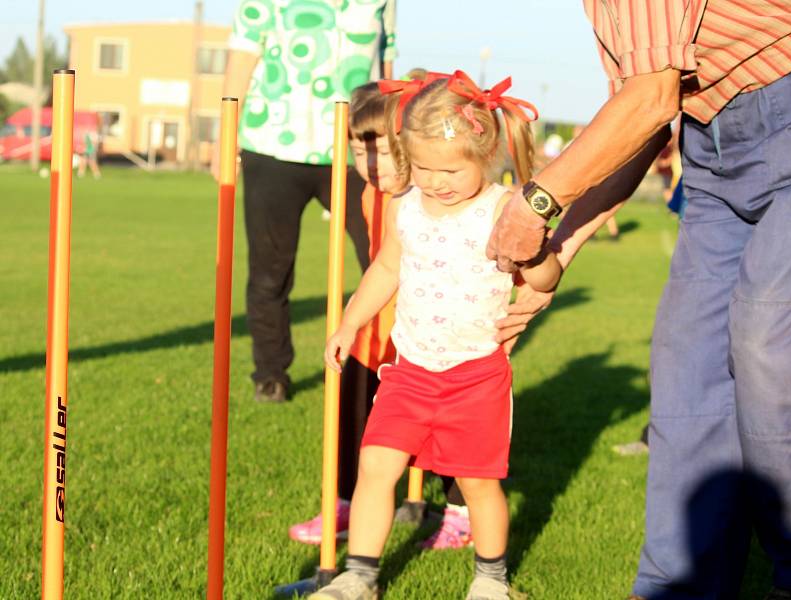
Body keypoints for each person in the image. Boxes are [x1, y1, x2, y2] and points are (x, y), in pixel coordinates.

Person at [487, 3, 791, 599]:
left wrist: (535, 203)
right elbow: (644, 122)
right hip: (710, 152)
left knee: (767, 345)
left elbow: (650, 101)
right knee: (685, 365)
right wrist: (558, 253)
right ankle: (677, 586)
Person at [310, 70, 561, 600]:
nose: (434, 180)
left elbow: (545, 278)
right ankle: (360, 576)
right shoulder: (406, 208)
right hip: (410, 370)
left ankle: (491, 580)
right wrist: (351, 322)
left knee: (478, 483)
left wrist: (534, 253)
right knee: (376, 465)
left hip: (475, 374)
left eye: (449, 169)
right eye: (421, 166)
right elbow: (385, 269)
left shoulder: (501, 209)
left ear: (486, 155)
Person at [286, 78, 478, 549]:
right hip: (377, 329)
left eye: (385, 153)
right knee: (354, 411)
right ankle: (349, 501)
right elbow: (382, 266)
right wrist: (353, 322)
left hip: (435, 333)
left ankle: (461, 511)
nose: (371, 165)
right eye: (358, 152)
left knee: (450, 426)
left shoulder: (430, 199)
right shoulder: (372, 195)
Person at [216, 0, 397, 402]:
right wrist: (223, 141)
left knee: (385, 259)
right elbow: (241, 64)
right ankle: (271, 372)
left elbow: (387, 74)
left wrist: (393, 143)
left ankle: (386, 367)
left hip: (357, 153)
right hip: (273, 146)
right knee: (270, 271)